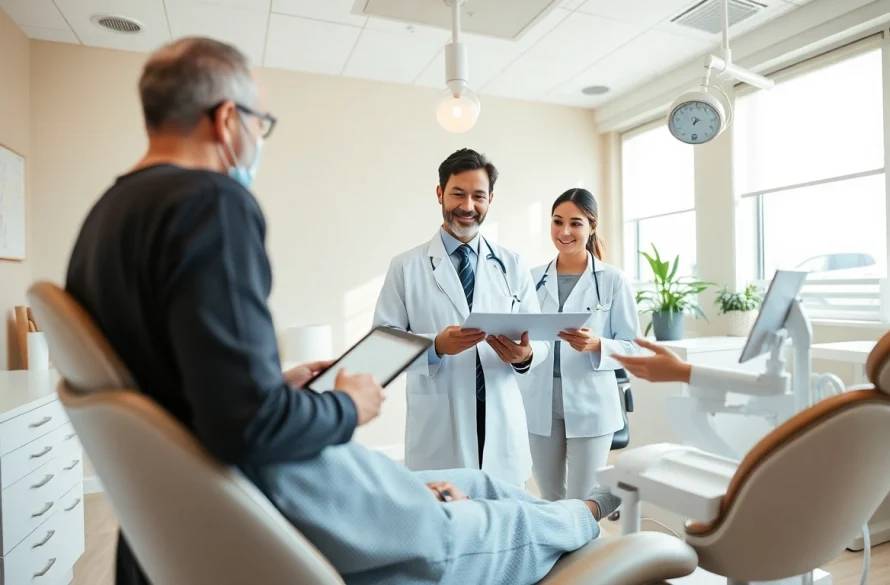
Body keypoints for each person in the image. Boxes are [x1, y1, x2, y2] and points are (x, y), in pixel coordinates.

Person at [62, 37, 620, 585]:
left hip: (239, 473)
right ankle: (586, 516)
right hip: (280, 474)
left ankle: (577, 510)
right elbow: (246, 424)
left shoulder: (104, 218)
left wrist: (277, 385)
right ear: (227, 119)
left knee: (480, 483)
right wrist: (346, 404)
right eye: (261, 124)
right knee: (467, 521)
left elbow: (194, 388)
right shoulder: (211, 204)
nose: (258, 138)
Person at [372, 149, 549, 486]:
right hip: (441, 420)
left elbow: (538, 338)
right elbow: (382, 345)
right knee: (447, 518)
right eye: (458, 193)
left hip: (500, 411)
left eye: (478, 196)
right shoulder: (406, 266)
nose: (468, 206)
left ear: (490, 199)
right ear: (440, 193)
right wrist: (435, 345)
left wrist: (526, 356)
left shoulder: (512, 264)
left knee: (505, 517)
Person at [522, 188, 641, 501]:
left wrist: (597, 344)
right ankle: (557, 551)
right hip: (539, 400)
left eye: (575, 223)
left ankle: (586, 551)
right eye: (557, 221)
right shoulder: (532, 279)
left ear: (592, 227)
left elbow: (635, 347)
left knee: (582, 499)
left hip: (591, 401)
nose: (564, 231)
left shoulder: (613, 280)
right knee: (549, 495)